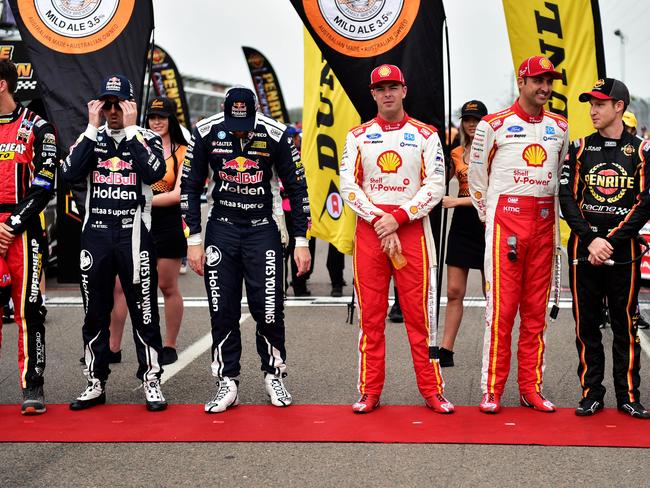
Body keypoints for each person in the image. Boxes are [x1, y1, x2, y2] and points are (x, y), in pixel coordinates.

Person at [181, 86, 311, 414]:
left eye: (246, 122)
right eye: (234, 123)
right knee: (222, 309)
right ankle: (227, 381)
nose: (240, 129)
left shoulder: (276, 134)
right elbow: (189, 187)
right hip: (221, 228)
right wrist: (193, 241)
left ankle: (274, 374)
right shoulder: (205, 131)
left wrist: (301, 241)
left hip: (262, 229)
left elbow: (297, 187)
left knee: (268, 309)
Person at [340, 64, 454, 414]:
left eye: (393, 87)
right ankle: (370, 391)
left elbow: (435, 185)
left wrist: (398, 217)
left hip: (412, 230)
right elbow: (348, 185)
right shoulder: (357, 136)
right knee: (371, 318)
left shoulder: (426, 135)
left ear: (404, 90)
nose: (387, 93)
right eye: (381, 88)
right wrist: (379, 218)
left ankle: (432, 390)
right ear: (373, 94)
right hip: (371, 231)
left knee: (421, 318)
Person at [469, 55, 569, 414]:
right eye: (538, 81)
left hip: (544, 227)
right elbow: (476, 180)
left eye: (550, 81)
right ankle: (492, 389)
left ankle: (531, 387)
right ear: (522, 82)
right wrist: (490, 218)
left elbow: (558, 178)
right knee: (502, 312)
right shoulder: (492, 125)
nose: (545, 88)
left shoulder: (559, 126)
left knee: (535, 314)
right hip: (505, 226)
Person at [62, 74, 168, 412]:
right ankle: (95, 380)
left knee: (144, 310)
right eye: (107, 104)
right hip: (96, 232)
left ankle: (151, 379)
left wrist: (134, 129)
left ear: (130, 105)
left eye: (118, 104)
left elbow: (155, 174)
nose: (111, 111)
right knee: (95, 311)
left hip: (133, 232)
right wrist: (92, 129)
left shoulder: (147, 137)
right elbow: (68, 174)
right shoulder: (90, 138)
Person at [559, 78, 650, 419]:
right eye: (591, 104)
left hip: (622, 250)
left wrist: (610, 241)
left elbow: (645, 203)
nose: (593, 110)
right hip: (585, 248)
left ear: (619, 107)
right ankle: (591, 392)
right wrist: (591, 239)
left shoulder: (641, 150)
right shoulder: (580, 148)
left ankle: (628, 394)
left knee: (626, 324)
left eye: (600, 104)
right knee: (587, 324)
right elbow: (566, 198)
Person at [103, 97, 188, 366]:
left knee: (166, 285)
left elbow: (178, 194)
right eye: (152, 117)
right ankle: (112, 347)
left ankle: (169, 345)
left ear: (172, 119)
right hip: (136, 221)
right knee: (120, 287)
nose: (157, 122)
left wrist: (144, 200)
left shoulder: (184, 150)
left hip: (167, 223)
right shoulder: (137, 142)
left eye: (162, 117)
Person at [0, 60, 58, 414]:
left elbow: (45, 183)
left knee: (28, 309)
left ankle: (32, 384)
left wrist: (13, 223)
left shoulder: (39, 127)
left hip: (24, 230)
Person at [439, 100, 488, 367]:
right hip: (462, 225)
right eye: (468, 119)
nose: (472, 124)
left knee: (490, 292)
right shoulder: (456, 153)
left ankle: (492, 347)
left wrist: (455, 201)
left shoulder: (494, 152)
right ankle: (446, 349)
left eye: (477, 119)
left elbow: (489, 195)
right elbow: (441, 183)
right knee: (454, 290)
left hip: (486, 222)